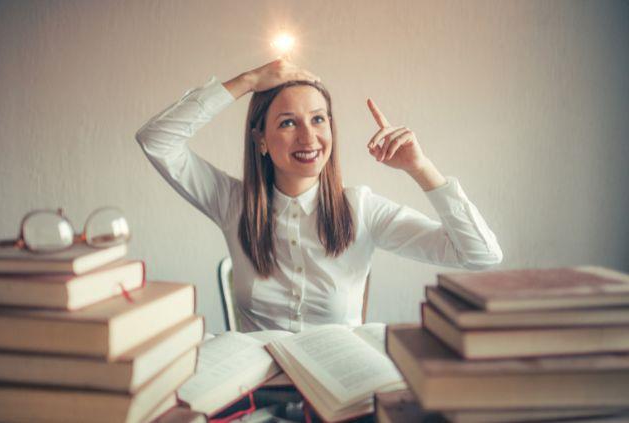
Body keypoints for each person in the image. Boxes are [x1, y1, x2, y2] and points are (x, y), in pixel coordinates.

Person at [136, 59, 503, 333]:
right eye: (288, 122)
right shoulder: (232, 202)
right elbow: (156, 140)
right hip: (262, 397)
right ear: (260, 138)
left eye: (318, 119)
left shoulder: (362, 209)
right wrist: (247, 81)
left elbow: (480, 254)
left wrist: (420, 168)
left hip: (341, 401)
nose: (309, 138)